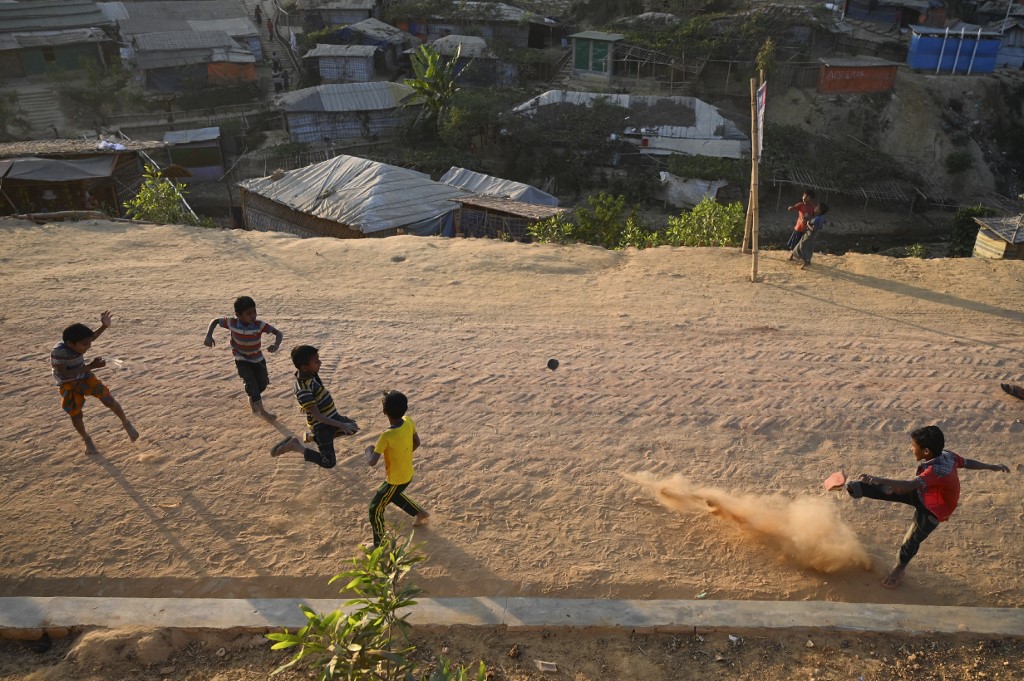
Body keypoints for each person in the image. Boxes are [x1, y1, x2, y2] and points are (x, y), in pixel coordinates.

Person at [845, 425, 1010, 589]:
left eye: (913, 446)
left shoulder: (937, 470)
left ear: (926, 451)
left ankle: (899, 568)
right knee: (887, 489)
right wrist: (991, 466)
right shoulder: (948, 455)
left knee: (911, 540)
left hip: (934, 508)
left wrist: (877, 478)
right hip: (925, 491)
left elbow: (910, 484)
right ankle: (852, 487)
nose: (911, 448)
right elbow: (967, 463)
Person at [51, 311, 139, 455]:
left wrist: (104, 326)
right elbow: (64, 373)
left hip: (85, 377)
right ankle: (86, 438)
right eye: (85, 344)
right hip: (68, 383)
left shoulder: (77, 343)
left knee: (108, 399)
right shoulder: (59, 352)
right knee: (76, 414)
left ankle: (126, 422)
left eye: (89, 343)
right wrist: (91, 366)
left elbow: (92, 337)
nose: (89, 347)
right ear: (70, 344)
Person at [271, 345, 359, 467]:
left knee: (353, 427)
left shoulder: (310, 374)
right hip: (322, 426)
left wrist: (307, 406)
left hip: (331, 418)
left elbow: (311, 399)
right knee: (328, 462)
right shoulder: (304, 388)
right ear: (304, 367)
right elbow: (318, 417)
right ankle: (295, 446)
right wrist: (341, 424)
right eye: (316, 362)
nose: (320, 363)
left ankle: (312, 438)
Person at [364, 390, 430, 547]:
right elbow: (417, 442)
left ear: (384, 412)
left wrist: (368, 450)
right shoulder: (409, 421)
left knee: (375, 509)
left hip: (395, 479)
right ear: (405, 409)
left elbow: (372, 462)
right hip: (407, 473)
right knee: (394, 495)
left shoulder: (386, 436)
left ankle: (379, 545)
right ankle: (421, 513)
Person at [203, 296, 283, 419]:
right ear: (238, 315)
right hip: (242, 360)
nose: (253, 316)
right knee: (252, 384)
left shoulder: (259, 325)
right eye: (249, 313)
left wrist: (276, 344)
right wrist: (208, 335)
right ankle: (262, 411)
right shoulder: (231, 322)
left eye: (254, 312)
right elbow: (215, 321)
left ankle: (252, 395)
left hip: (258, 359)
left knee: (262, 383)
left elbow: (278, 333)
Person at [790, 201, 828, 269]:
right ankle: (795, 257)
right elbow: (824, 222)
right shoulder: (821, 217)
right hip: (813, 235)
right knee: (807, 247)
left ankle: (805, 262)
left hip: (809, 235)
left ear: (819, 210)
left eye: (817, 207)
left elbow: (813, 229)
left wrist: (807, 224)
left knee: (802, 246)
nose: (815, 207)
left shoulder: (817, 219)